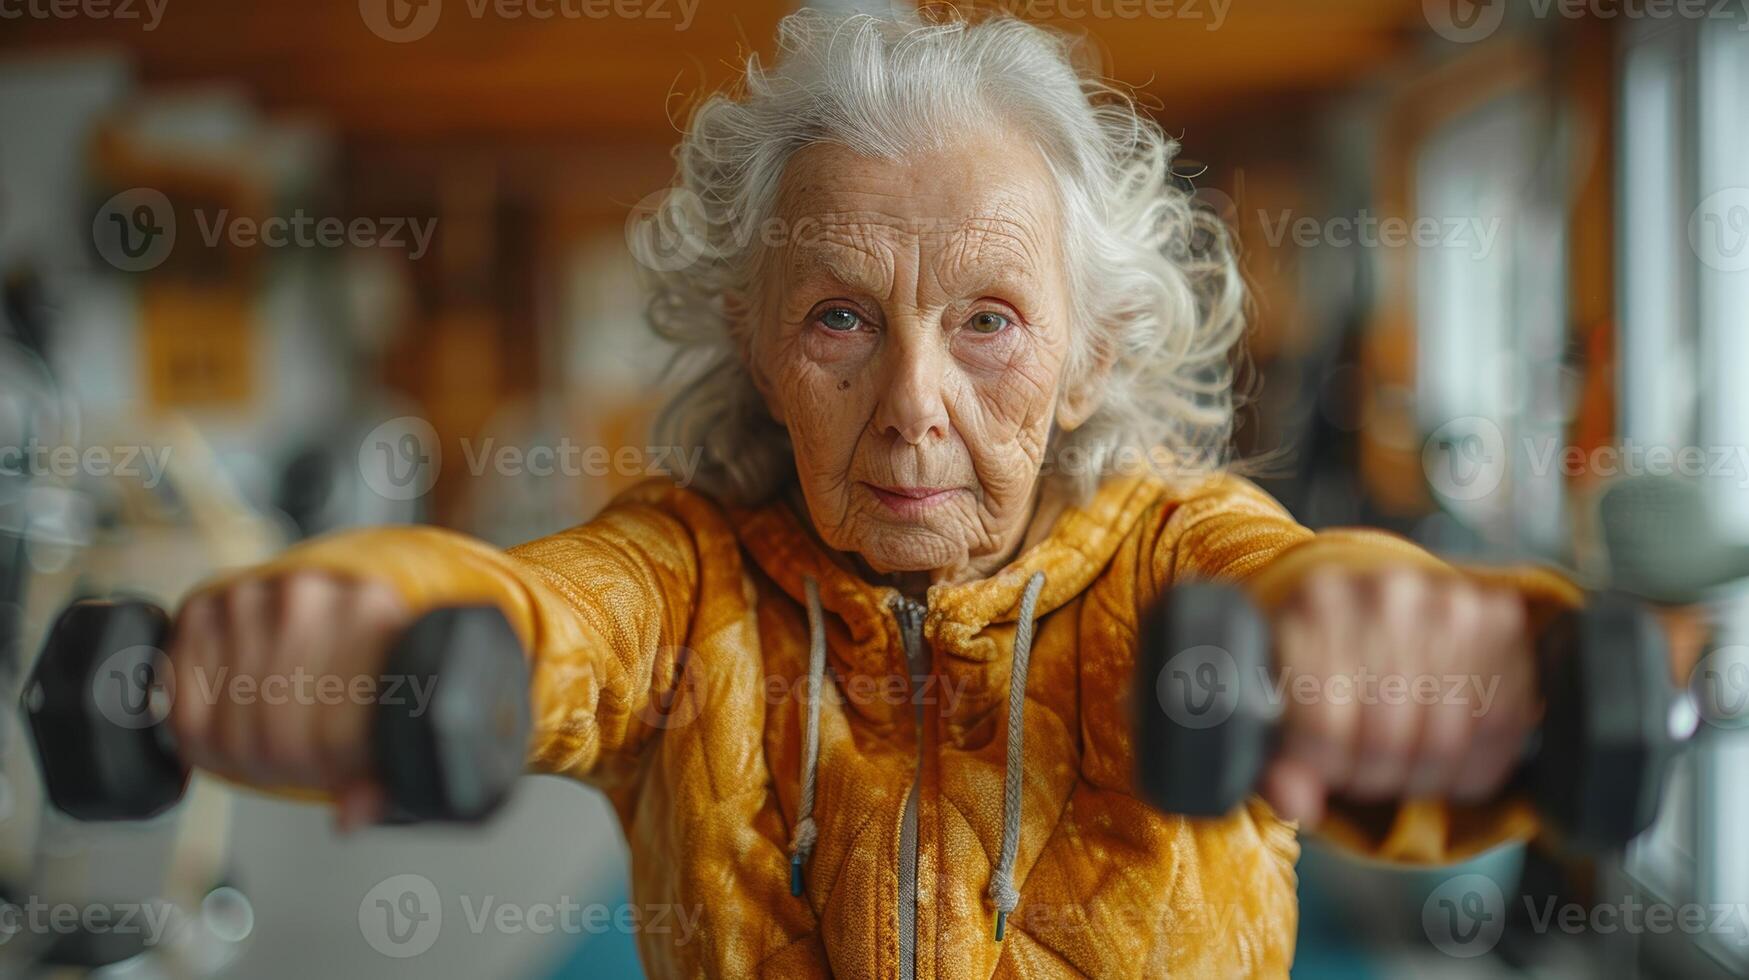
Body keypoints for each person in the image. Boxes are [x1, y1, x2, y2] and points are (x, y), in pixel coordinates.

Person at [164, 11, 1577, 978]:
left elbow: (1306, 595)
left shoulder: (1176, 563)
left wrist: (1413, 651)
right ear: (758, 347)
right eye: (840, 319)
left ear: (1088, 357)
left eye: (988, 323)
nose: (912, 404)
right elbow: (535, 615)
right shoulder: (684, 579)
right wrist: (374, 624)